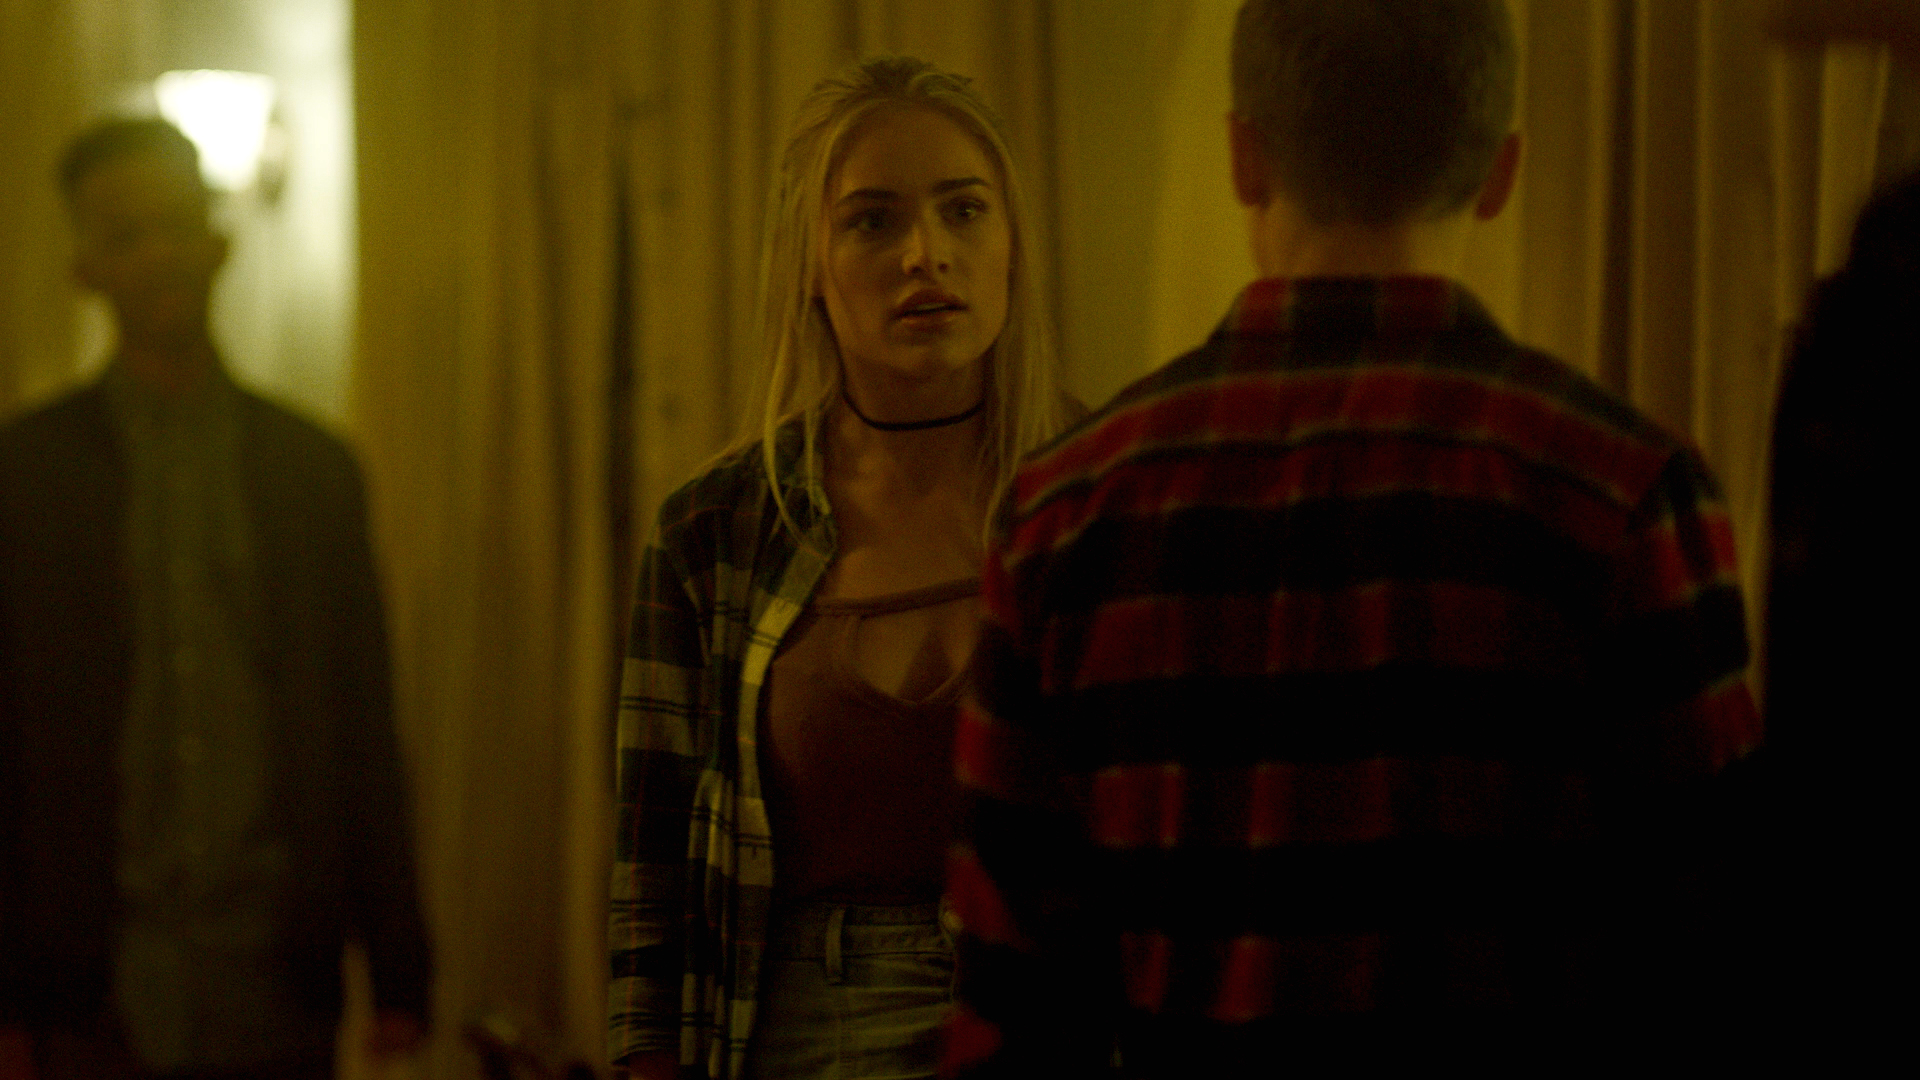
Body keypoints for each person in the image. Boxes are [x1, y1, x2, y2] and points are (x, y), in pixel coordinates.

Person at [945, 1, 1762, 1073]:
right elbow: (1714, 962)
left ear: (1243, 157)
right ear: (1500, 173)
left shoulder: (1060, 511)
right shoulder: (1629, 494)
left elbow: (1008, 997)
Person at [607, 57, 1072, 1080]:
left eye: (963, 210)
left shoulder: (1101, 495)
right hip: (808, 1030)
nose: (925, 254)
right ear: (809, 266)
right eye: (872, 221)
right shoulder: (715, 532)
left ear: (1012, 243)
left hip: (1054, 1012)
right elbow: (653, 888)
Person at [0, 118, 430, 1080]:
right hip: (91, 973)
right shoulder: (27, 476)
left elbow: (361, 722)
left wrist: (398, 962)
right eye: (126, 234)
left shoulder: (311, 470)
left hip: (275, 970)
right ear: (85, 268)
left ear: (219, 239)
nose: (158, 253)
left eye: (175, 222)